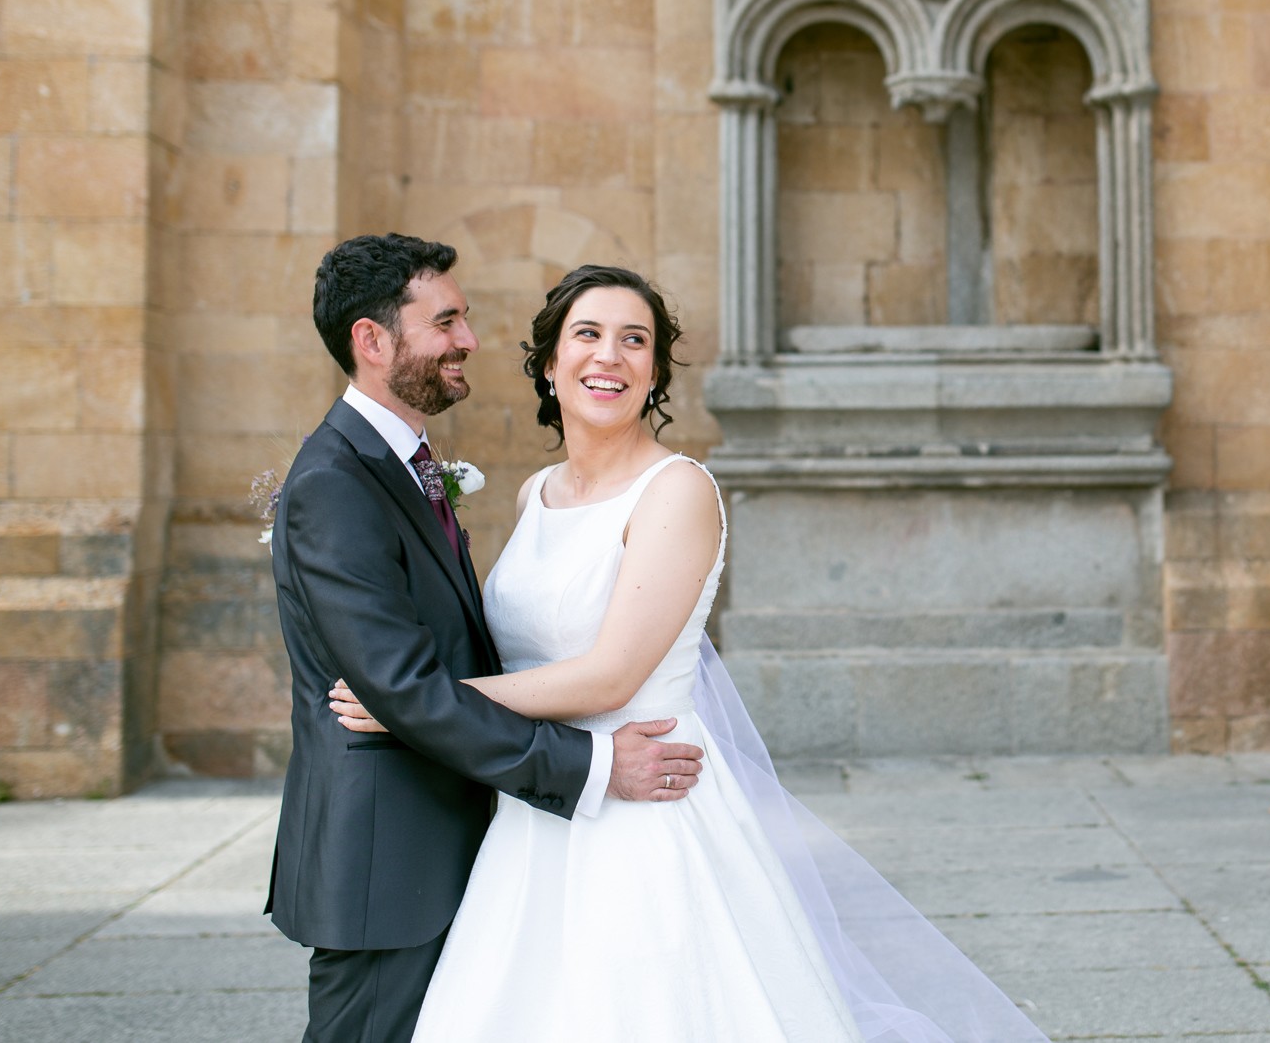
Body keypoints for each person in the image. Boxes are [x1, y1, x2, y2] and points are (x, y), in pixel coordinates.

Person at [327, 263, 1050, 1043]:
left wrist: (417, 699)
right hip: (540, 809)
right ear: (547, 363)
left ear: (656, 373)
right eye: (588, 335)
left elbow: (613, 673)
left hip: (648, 807)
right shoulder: (534, 494)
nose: (610, 356)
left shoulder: (678, 490)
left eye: (635, 341)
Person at [267, 235, 705, 1043]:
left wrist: (409, 703)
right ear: (372, 341)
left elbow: (430, 685)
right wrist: (597, 763)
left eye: (635, 339)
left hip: (501, 833)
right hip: (390, 861)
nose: (468, 338)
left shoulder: (408, 465)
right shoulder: (336, 484)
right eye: (447, 321)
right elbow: (403, 686)